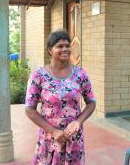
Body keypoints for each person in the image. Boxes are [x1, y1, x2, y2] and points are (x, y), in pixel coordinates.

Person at [25, 30, 96, 165]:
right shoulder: (38, 76)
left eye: (67, 46)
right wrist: (53, 131)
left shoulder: (80, 74)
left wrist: (78, 122)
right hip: (49, 137)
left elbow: (91, 102)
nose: (65, 49)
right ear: (50, 50)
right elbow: (30, 109)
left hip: (73, 137)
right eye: (60, 46)